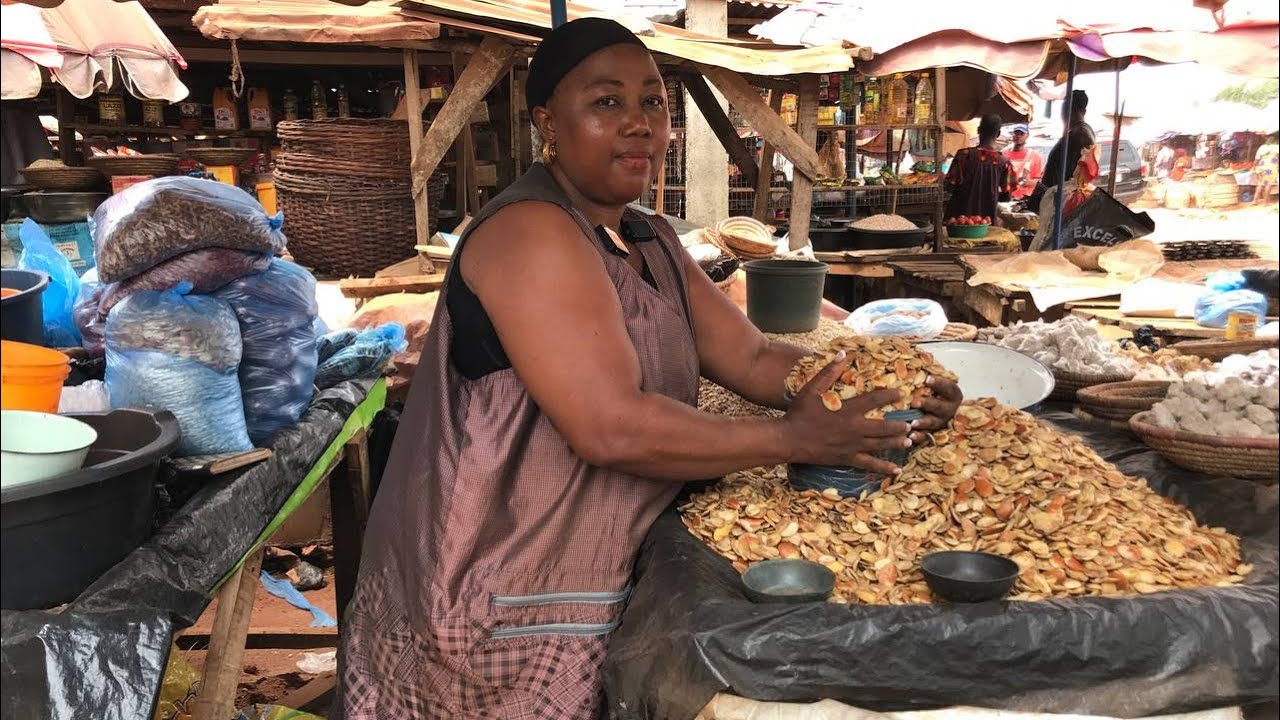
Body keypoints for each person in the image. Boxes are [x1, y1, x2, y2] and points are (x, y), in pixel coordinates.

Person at [337, 18, 962, 719]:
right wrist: (797, 439)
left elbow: (752, 356)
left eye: (654, 103)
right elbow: (610, 427)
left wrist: (883, 393)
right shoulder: (531, 231)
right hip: (490, 598)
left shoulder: (648, 235)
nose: (639, 124)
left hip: (584, 571)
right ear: (548, 121)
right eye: (606, 103)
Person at [1029, 90, 1095, 209]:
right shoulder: (1076, 132)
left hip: (1060, 200)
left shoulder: (1080, 134)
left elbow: (1074, 173)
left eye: (1063, 109)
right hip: (1054, 196)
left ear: (1068, 109)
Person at [945, 113, 1015, 224]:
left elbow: (949, 187)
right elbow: (1007, 197)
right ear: (998, 134)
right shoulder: (1004, 162)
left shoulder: (963, 155)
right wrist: (990, 194)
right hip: (986, 222)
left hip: (960, 221)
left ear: (978, 130)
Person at [1003, 123, 1043, 200]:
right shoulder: (1004, 154)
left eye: (1021, 134)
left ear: (1027, 135)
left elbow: (1038, 181)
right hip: (1006, 197)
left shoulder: (1035, 156)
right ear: (1012, 135)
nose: (1018, 136)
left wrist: (1027, 182)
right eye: (1016, 133)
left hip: (1024, 199)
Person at [1253, 132, 1278, 204]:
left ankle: (1254, 200)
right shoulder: (1277, 147)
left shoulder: (1262, 147)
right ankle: (1266, 202)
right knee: (1268, 184)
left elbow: (1257, 159)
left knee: (1260, 184)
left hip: (1261, 167)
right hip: (1271, 168)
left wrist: (1254, 167)